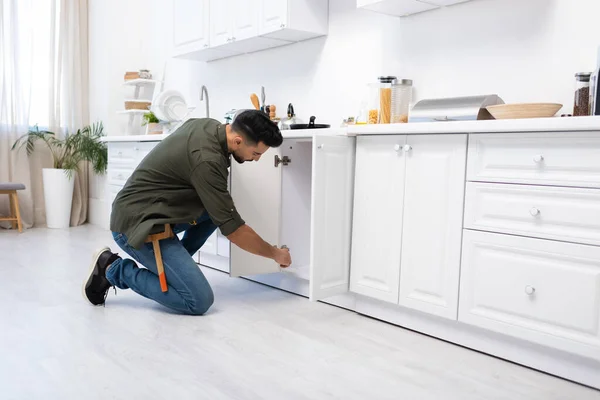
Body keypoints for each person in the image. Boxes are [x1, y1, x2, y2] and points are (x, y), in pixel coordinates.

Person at [82, 110, 292, 315]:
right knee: (198, 300)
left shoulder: (208, 125)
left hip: (156, 210)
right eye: (255, 153)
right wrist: (275, 253)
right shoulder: (207, 160)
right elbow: (235, 230)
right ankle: (113, 269)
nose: (255, 159)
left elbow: (223, 215)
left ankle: (175, 269)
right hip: (136, 224)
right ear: (237, 141)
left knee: (217, 209)